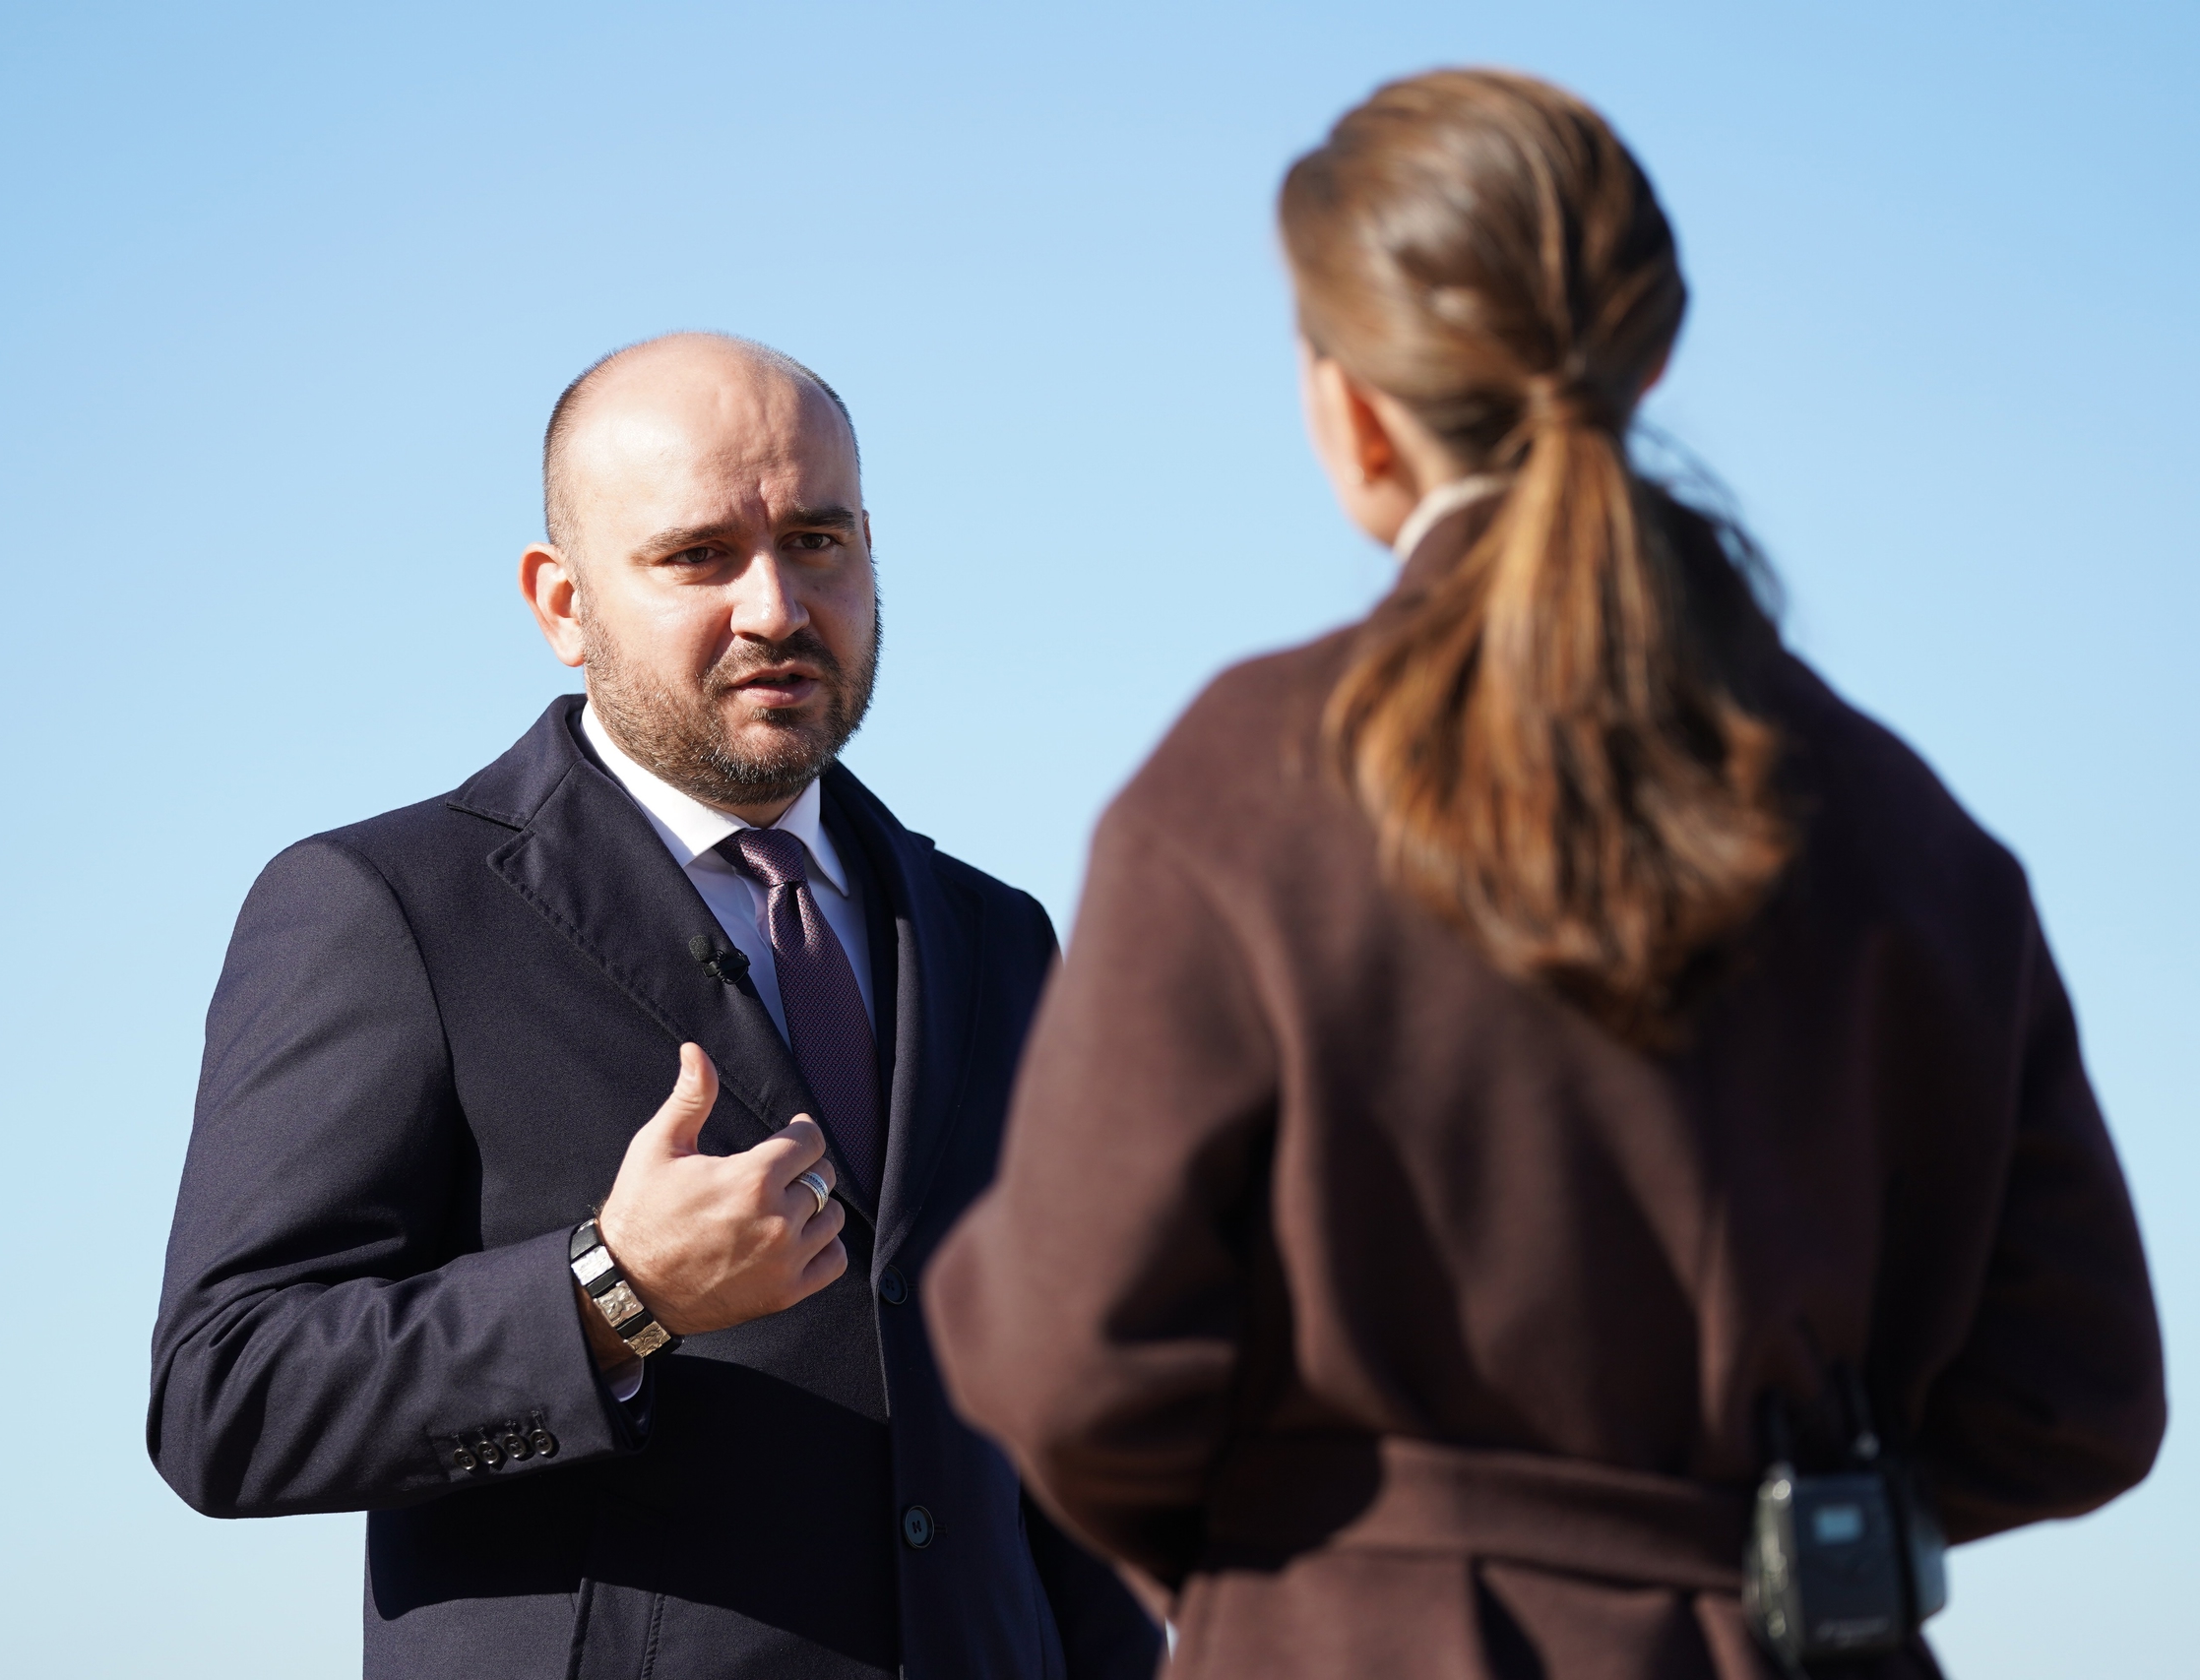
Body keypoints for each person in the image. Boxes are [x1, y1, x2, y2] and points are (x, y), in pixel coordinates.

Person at [924, 70, 2165, 1680]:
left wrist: (1321, 1560)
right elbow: (2080, 1392)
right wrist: (1758, 1531)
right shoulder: (1910, 830)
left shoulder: (1246, 783)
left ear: (1352, 408)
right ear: (1650, 360)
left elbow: (1068, 1361)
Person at [150, 333, 1160, 1680]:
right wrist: (609, 1293)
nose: (776, 607)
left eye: (818, 542)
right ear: (562, 602)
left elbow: (1054, 1421)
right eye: (699, 557)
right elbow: (227, 1396)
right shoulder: (385, 907)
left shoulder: (994, 936)